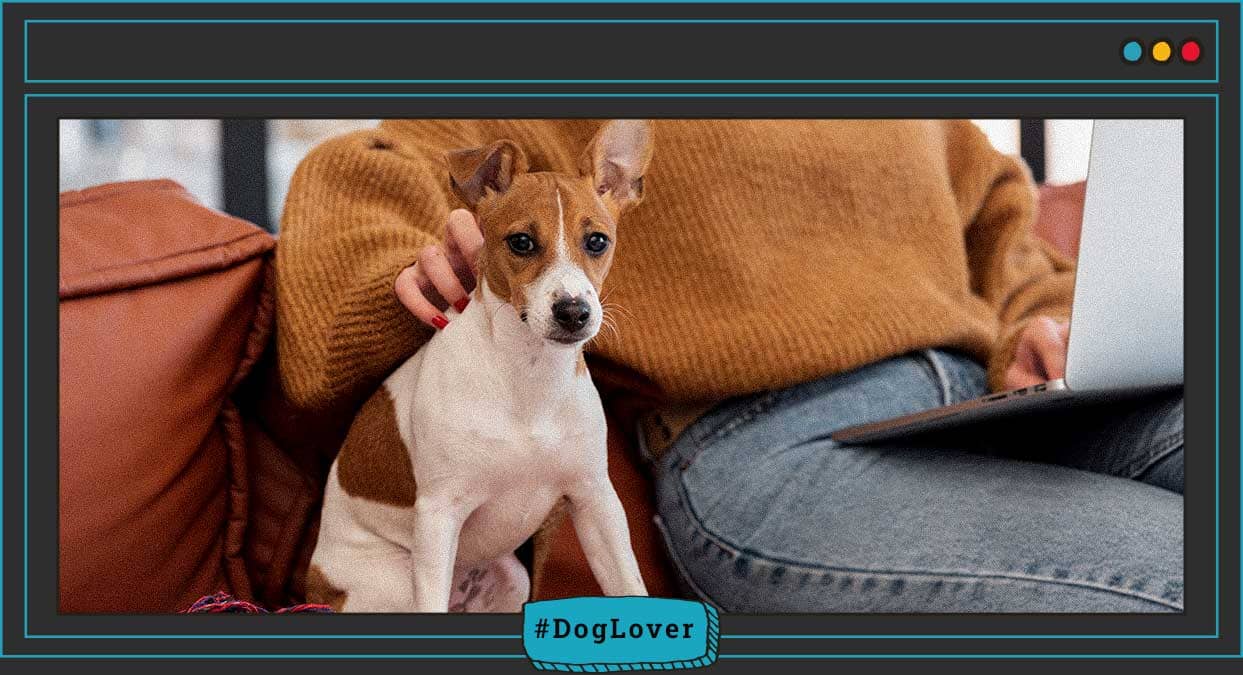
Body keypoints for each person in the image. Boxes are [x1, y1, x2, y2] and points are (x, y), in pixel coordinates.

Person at [275, 119, 1183, 613]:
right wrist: (417, 271)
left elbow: (994, 214)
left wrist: (1041, 319)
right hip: (779, 447)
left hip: (999, 407)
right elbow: (363, 178)